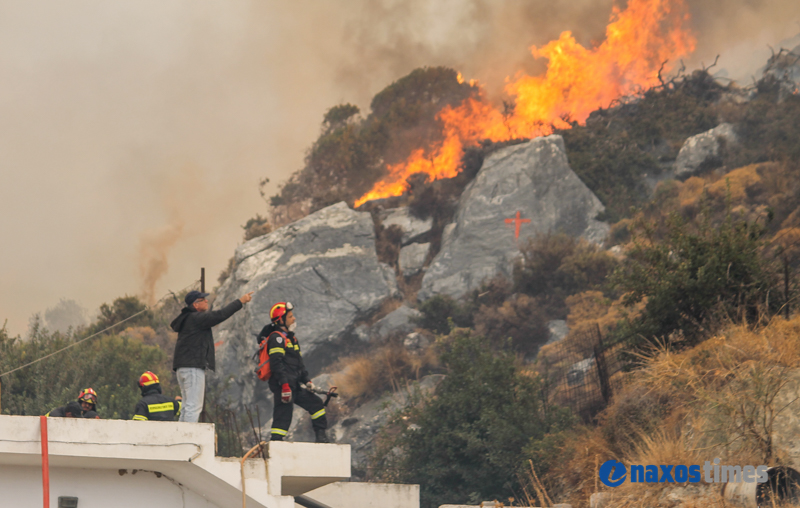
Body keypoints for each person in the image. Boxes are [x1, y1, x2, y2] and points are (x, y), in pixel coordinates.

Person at [171, 289, 253, 423]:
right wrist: (240, 301)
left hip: (183, 367)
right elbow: (220, 315)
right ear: (195, 305)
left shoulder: (187, 319)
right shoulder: (196, 318)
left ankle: (181, 438)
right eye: (203, 299)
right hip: (193, 367)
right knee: (194, 407)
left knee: (186, 406)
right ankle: (188, 439)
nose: (206, 301)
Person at [260, 302, 329, 443]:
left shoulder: (292, 339)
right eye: (290, 316)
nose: (294, 319)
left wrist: (307, 381)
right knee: (284, 414)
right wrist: (284, 386)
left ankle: (321, 438)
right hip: (283, 384)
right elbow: (276, 364)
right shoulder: (277, 338)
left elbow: (299, 364)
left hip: (294, 384)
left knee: (316, 404)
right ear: (280, 320)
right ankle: (276, 442)